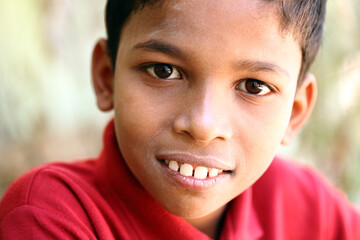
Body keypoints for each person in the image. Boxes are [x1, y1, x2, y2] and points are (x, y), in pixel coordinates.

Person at [1, 0, 359, 239]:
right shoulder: (51, 216)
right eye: (164, 70)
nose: (203, 125)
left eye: (254, 86)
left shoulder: (308, 207)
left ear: (295, 112)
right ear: (106, 77)